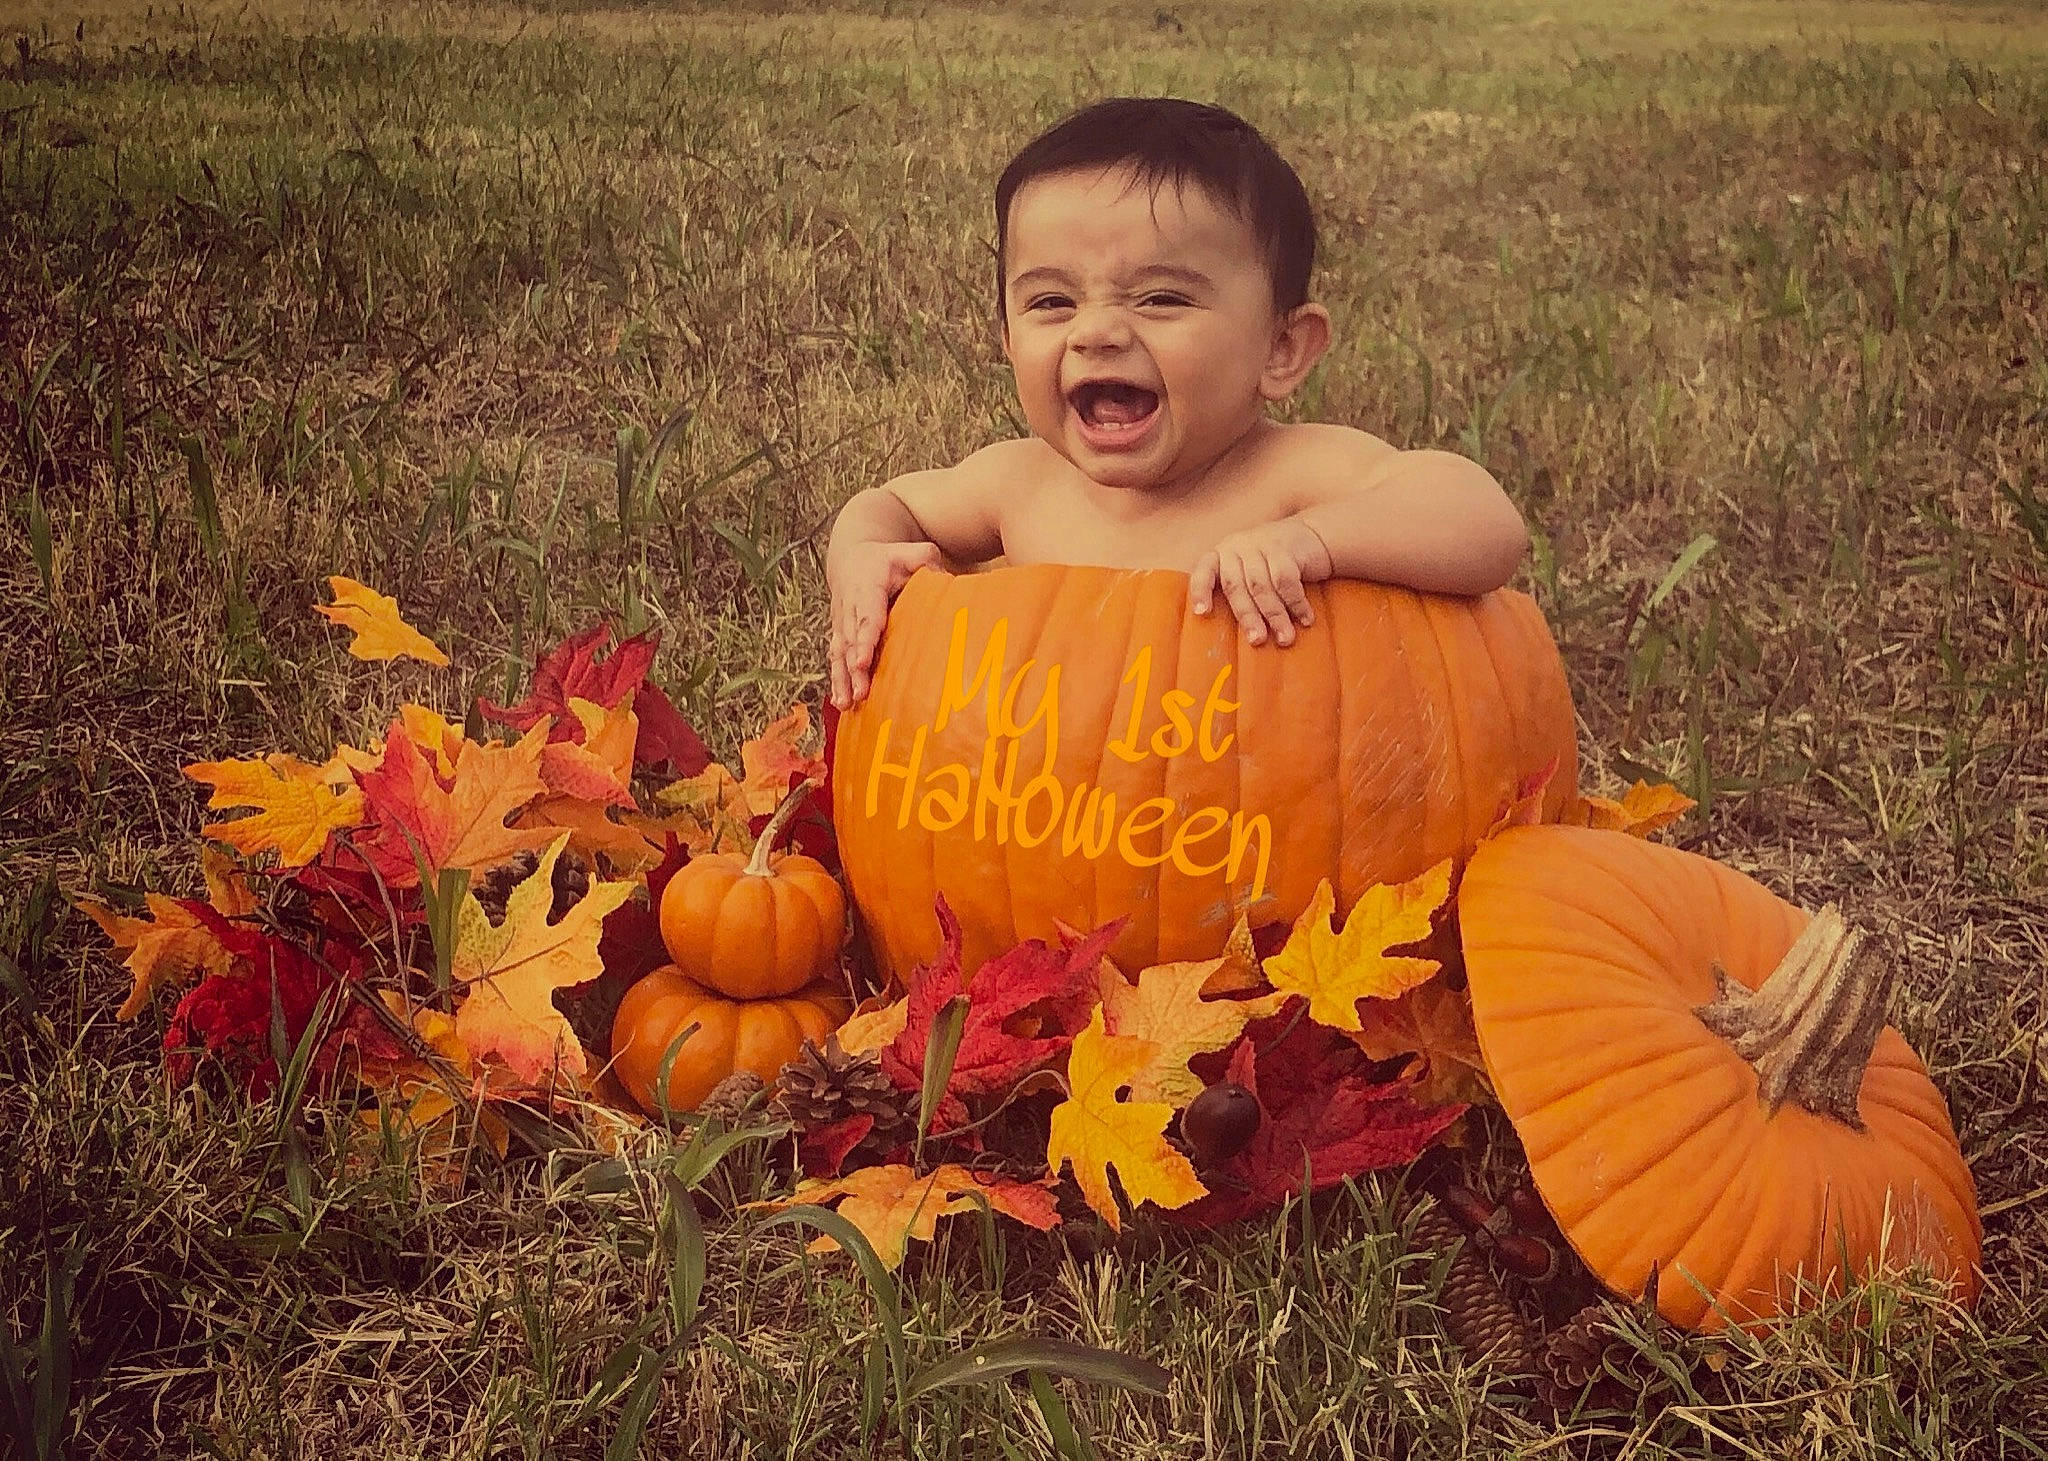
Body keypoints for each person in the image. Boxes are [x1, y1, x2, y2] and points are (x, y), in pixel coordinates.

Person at [826, 97, 1529, 710]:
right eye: (1051, 301)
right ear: (1008, 338)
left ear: (1281, 348)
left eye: (1161, 298)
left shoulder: (1289, 475)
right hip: (1039, 820)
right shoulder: (1021, 482)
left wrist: (1311, 543)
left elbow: (1485, 521)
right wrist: (863, 558)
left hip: (1251, 826)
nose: (1097, 331)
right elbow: (889, 505)